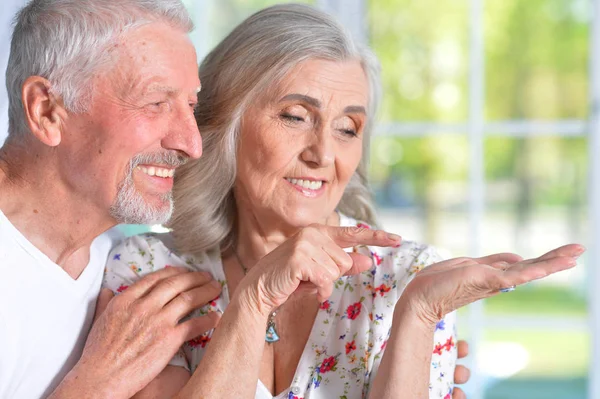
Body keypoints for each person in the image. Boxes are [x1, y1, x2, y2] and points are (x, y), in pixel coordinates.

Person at [102, 4, 584, 399]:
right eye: (294, 116)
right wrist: (253, 300)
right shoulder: (148, 269)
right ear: (225, 122)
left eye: (347, 128)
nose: (323, 154)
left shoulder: (408, 280)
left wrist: (416, 318)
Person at [0, 1, 226, 397]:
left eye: (190, 106)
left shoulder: (124, 263)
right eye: (156, 103)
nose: (191, 144)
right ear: (47, 110)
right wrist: (96, 385)